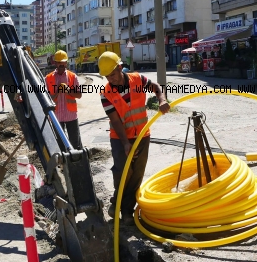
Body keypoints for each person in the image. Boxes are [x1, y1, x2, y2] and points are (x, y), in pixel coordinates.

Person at [98, 51, 170, 225]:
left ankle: (126, 210)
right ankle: (119, 203)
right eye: (107, 76)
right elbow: (115, 120)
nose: (111, 79)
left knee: (137, 173)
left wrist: (161, 100)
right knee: (123, 172)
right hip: (120, 137)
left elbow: (156, 87)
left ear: (120, 68)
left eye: (113, 74)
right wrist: (125, 143)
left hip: (142, 135)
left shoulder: (138, 80)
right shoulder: (105, 92)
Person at [45, 50, 83, 150]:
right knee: (60, 144)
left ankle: (76, 163)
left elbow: (79, 95)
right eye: (59, 62)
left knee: (75, 143)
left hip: (71, 115)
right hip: (56, 116)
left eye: (63, 62)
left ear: (66, 62)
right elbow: (46, 98)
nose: (61, 64)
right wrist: (57, 91)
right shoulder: (48, 78)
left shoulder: (72, 76)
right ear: (55, 63)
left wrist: (68, 90)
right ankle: (63, 163)